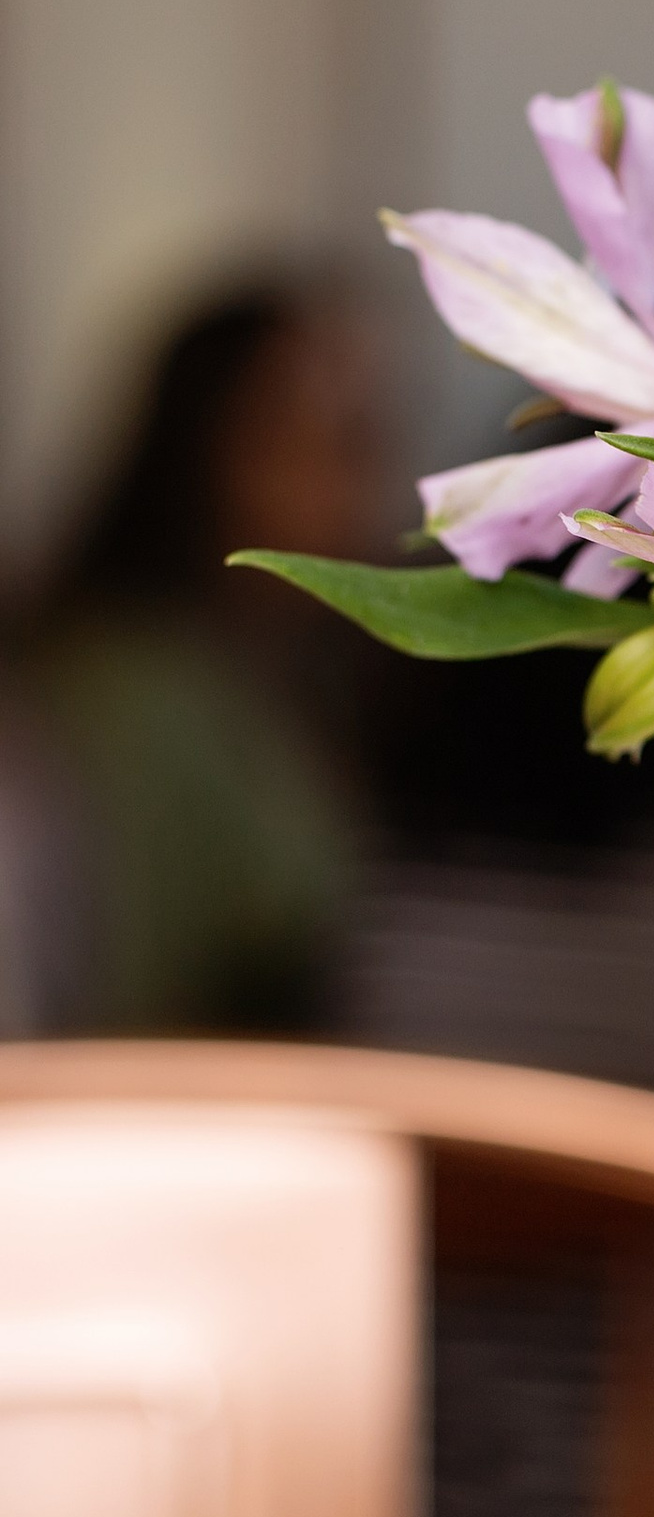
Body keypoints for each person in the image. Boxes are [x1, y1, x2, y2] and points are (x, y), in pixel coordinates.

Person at [9, 278, 394, 1030]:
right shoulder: (128, 688)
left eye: (361, 441)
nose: (347, 487)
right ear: (200, 450)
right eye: (305, 445)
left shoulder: (293, 664)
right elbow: (136, 1011)